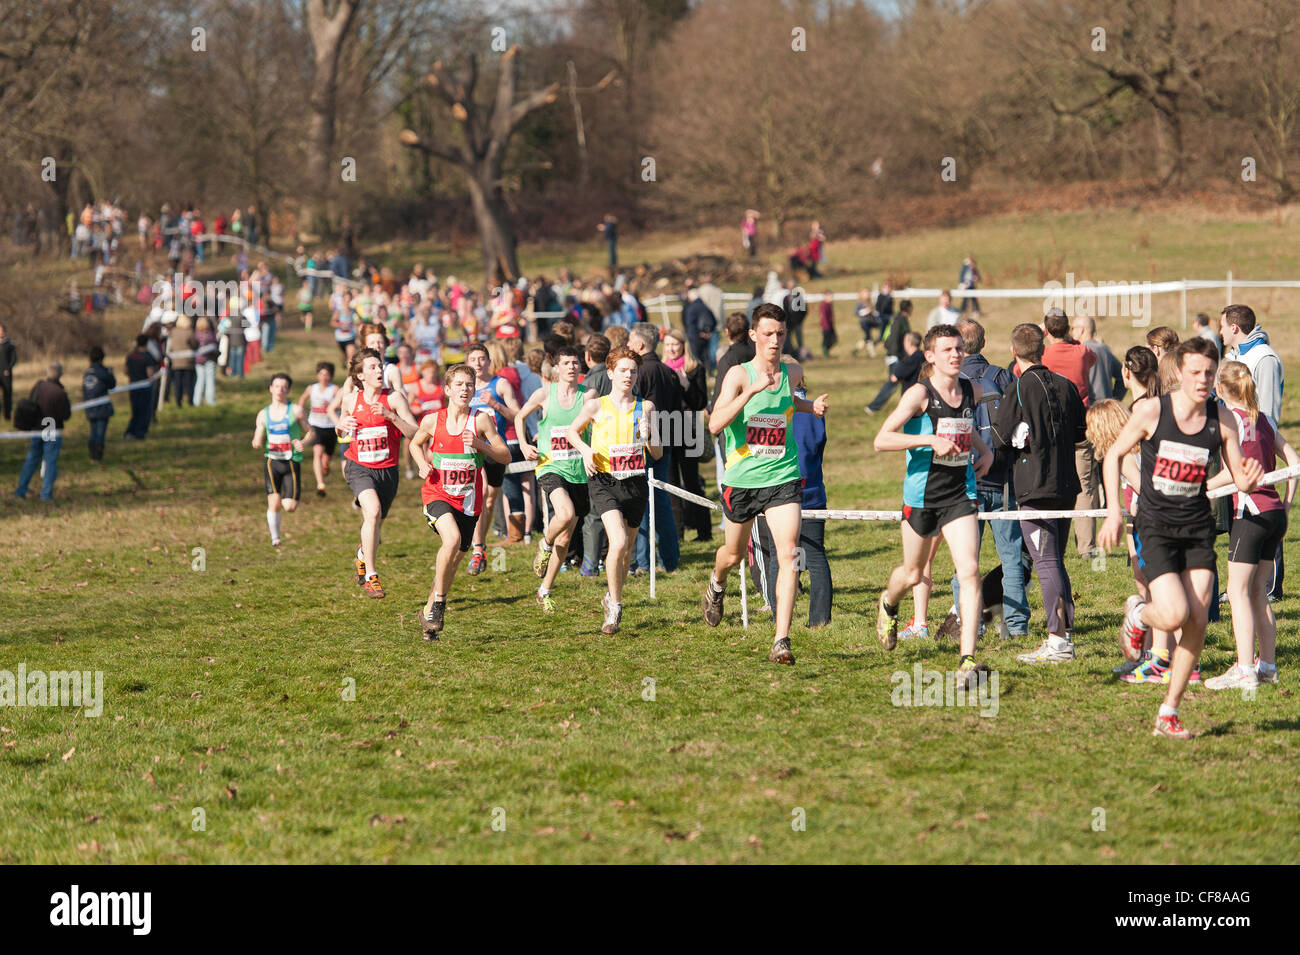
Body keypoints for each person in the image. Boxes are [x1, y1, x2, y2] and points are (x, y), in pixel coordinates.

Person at [1098, 338, 1263, 739]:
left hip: (1196, 528)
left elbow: (1237, 475)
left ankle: (1168, 712)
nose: (1203, 380)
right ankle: (1138, 613)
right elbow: (1113, 455)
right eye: (1195, 372)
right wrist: (1114, 512)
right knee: (1172, 613)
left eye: (1209, 372)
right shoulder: (1153, 411)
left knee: (1198, 619)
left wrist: (1248, 476)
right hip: (1156, 525)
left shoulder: (1223, 420)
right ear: (1179, 374)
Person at [703, 303, 830, 664]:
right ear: (754, 336)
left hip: (783, 477)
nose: (775, 340)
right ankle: (717, 583)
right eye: (768, 334)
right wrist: (751, 392)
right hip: (743, 480)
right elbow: (714, 426)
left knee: (788, 553)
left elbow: (788, 404)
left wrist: (811, 409)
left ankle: (781, 639)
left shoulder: (793, 371)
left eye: (781, 334)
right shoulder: (738, 375)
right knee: (731, 554)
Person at [873, 325, 994, 689]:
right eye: (947, 350)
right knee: (912, 574)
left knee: (970, 571)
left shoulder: (972, 390)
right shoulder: (919, 394)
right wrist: (928, 439)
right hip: (922, 496)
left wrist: (984, 451)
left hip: (961, 493)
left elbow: (967, 427)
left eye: (958, 348)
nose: (955, 355)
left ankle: (967, 660)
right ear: (930, 357)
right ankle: (888, 603)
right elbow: (882, 439)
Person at [990, 323, 1086, 663]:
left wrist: (1018, 438)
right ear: (1043, 350)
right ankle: (1064, 634)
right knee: (1054, 562)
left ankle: (1058, 641)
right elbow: (1080, 432)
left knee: (1045, 562)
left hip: (1035, 486)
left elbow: (999, 440)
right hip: (1066, 485)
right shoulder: (1067, 385)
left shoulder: (1017, 388)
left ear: (1014, 353)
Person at [1202, 361, 1297, 689]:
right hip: (1274, 514)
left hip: (1251, 513)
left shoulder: (1231, 421)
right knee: (1258, 592)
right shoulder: (1266, 419)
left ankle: (1244, 670)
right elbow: (1294, 463)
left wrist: (1203, 487)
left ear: (1222, 390)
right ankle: (1267, 666)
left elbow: (1235, 473)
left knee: (1238, 591)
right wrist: (1286, 503)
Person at [939, 320, 1029, 640]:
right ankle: (1017, 627)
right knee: (1012, 559)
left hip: (964, 486)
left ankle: (970, 625)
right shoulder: (1004, 377)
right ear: (985, 342)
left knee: (964, 563)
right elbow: (1021, 427)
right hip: (1004, 482)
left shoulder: (949, 383)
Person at [567, 346, 664, 635]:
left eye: (633, 371)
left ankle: (611, 594)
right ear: (610, 373)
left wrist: (649, 436)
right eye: (623, 370)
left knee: (625, 551)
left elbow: (657, 454)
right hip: (604, 480)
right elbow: (573, 431)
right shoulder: (597, 405)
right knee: (618, 541)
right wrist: (585, 451)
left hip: (634, 483)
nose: (628, 375)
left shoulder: (645, 407)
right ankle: (616, 608)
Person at [410, 363, 511, 638]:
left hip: (468, 501)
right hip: (437, 493)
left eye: (469, 385)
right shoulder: (433, 420)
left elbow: (505, 456)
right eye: (459, 385)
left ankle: (430, 610)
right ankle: (440, 602)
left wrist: (481, 446)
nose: (465, 389)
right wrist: (421, 463)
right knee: (451, 540)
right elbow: (414, 443)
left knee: (454, 559)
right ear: (447, 389)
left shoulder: (481, 420)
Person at [335, 349, 420, 598]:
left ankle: (362, 555)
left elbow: (414, 432)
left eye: (380, 366)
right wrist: (341, 427)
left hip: (387, 471)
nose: (379, 370)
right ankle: (372, 577)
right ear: (360, 375)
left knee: (376, 525)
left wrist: (392, 416)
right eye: (372, 367)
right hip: (358, 467)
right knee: (371, 512)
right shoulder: (351, 399)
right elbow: (341, 429)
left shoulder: (393, 398)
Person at [1220, 304, 1285, 601]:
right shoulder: (1233, 355)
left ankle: (1270, 585)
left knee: (1265, 503)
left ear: (1234, 328)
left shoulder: (1265, 358)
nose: (1219, 332)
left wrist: (1259, 440)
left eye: (1223, 326)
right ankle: (1241, 584)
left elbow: (1267, 410)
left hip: (1260, 441)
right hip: (1238, 440)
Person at [754, 381, 832, 627]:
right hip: (811, 489)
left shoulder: (770, 409)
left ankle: (780, 616)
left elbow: (761, 452)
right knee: (816, 554)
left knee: (779, 556)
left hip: (778, 492)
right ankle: (820, 619)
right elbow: (819, 448)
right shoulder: (815, 411)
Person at [517, 347, 589, 613]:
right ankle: (544, 543)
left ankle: (544, 589)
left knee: (566, 537)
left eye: (575, 363)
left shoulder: (588, 396)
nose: (571, 367)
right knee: (565, 513)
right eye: (566, 363)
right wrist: (524, 444)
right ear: (556, 368)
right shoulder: (545, 393)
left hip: (579, 470)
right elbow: (519, 416)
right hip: (550, 466)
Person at [1042, 307, 1098, 555]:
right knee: (1084, 484)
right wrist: (1071, 340)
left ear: (1045, 331)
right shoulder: (1082, 352)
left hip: (1049, 428)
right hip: (1080, 425)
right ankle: (1086, 546)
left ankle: (1052, 541)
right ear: (1067, 329)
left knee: (1051, 482)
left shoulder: (1042, 356)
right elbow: (1091, 357)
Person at [628, 322, 682, 574]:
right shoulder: (668, 371)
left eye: (630, 343)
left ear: (640, 345)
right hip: (668, 440)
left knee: (641, 502)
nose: (627, 347)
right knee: (661, 500)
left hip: (645, 441)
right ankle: (669, 560)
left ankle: (643, 561)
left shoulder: (639, 372)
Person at [464, 342, 522, 572]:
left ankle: (481, 544)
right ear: (467, 363)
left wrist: (495, 404)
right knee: (483, 492)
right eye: (473, 360)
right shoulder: (465, 387)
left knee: (489, 499)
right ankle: (477, 549)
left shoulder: (501, 384)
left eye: (482, 359)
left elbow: (517, 415)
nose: (478, 364)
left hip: (496, 449)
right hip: (473, 450)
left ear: (489, 361)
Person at [251, 373, 313, 547]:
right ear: (271, 388)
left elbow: (311, 432)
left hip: (291, 461)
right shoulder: (263, 414)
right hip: (272, 461)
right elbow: (258, 432)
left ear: (289, 390)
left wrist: (303, 442)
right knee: (274, 501)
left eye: (284, 387)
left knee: (289, 506)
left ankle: (278, 532)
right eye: (277, 386)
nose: (280, 390)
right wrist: (256, 441)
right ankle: (275, 539)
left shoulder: (296, 411)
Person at [663, 327, 712, 542]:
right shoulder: (661, 369)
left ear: (684, 346)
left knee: (692, 481)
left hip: (689, 429)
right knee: (671, 483)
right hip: (666, 428)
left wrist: (686, 385)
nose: (672, 349)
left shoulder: (695, 369)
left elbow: (701, 402)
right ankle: (678, 532)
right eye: (668, 345)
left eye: (676, 344)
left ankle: (704, 531)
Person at [15, 363, 72, 501]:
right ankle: (46, 494)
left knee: (32, 459)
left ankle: (20, 490)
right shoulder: (59, 393)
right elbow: (66, 415)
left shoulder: (39, 386)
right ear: (60, 374)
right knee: (50, 461)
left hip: (36, 428)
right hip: (51, 428)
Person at [299, 362, 339, 497]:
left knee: (327, 457)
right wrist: (300, 414)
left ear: (331, 376)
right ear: (317, 375)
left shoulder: (334, 389)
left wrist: (333, 406)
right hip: (315, 425)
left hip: (331, 427)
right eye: (321, 374)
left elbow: (344, 406)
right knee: (317, 452)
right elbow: (302, 400)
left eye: (327, 374)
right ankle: (320, 484)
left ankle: (326, 466)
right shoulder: (312, 388)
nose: (324, 377)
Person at [865, 300, 913, 413]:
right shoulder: (899, 320)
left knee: (903, 382)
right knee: (892, 383)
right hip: (895, 357)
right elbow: (894, 338)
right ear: (909, 308)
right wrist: (896, 355)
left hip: (897, 356)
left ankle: (908, 406)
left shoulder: (900, 318)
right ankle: (872, 407)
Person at [865, 330, 922, 414]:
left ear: (909, 343)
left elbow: (894, 377)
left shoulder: (909, 360)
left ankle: (873, 407)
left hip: (910, 398)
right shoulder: (924, 356)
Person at [1072, 314, 1123, 401]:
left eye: (1073, 328)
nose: (1072, 332)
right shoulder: (1105, 349)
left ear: (1081, 330)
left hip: (1089, 409)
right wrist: (1115, 399)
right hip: (1107, 409)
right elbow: (1122, 374)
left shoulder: (1080, 351)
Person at [82, 347, 117, 462]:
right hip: (102, 408)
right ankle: (97, 455)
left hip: (89, 407)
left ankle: (92, 454)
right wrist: (111, 373)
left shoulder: (87, 373)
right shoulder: (103, 372)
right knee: (100, 432)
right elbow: (112, 385)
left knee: (93, 431)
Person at [123, 335, 159, 439]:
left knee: (135, 411)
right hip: (145, 388)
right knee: (144, 411)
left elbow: (125, 371)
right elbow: (150, 374)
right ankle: (140, 433)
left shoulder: (130, 355)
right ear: (146, 343)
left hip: (132, 386)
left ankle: (130, 431)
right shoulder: (147, 356)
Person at [193, 317, 218, 406]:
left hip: (199, 360)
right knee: (210, 380)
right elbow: (215, 346)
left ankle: (197, 401)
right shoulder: (210, 335)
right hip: (209, 359)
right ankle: (211, 401)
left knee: (200, 380)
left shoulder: (195, 335)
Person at [0, 323, 15, 420]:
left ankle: (7, 416)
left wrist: (8, 369)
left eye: (1, 330)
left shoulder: (10, 344)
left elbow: (14, 359)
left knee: (7, 395)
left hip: (6, 374)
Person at [819, 291, 837, 357]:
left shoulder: (829, 304)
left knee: (834, 339)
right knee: (826, 340)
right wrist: (826, 325)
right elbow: (823, 316)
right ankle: (825, 353)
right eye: (830, 296)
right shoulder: (824, 305)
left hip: (830, 325)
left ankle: (827, 352)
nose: (831, 298)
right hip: (826, 326)